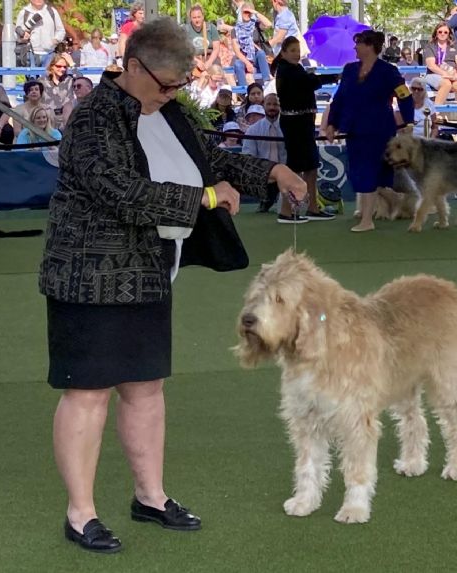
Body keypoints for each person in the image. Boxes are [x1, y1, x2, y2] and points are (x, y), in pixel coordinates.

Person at [38, 17, 307, 554]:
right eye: (164, 84)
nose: (172, 94)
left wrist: (269, 174)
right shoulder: (94, 119)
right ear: (133, 66)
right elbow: (123, 193)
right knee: (87, 393)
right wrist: (206, 200)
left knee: (146, 389)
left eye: (180, 84)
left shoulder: (169, 109)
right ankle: (81, 512)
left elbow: (210, 160)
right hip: (89, 277)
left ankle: (151, 497)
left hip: (148, 272)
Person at [327, 29, 414, 232]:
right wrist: (332, 123)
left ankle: (367, 220)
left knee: (371, 173)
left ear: (369, 46)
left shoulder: (388, 71)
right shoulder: (349, 70)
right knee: (358, 173)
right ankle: (396, 200)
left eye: (358, 44)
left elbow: (404, 95)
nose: (355, 47)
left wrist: (408, 121)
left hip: (379, 130)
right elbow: (339, 98)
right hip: (354, 129)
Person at [273, 36, 338, 223]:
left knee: (311, 166)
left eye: (297, 50)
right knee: (295, 168)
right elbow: (309, 82)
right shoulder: (286, 71)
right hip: (295, 124)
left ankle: (312, 206)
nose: (296, 54)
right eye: (292, 50)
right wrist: (333, 77)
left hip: (304, 123)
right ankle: (286, 210)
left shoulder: (296, 68)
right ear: (283, 52)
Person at [244, 93, 286, 212]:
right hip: (264, 174)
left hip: (287, 172)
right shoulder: (253, 130)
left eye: (275, 104)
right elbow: (248, 156)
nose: (272, 107)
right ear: (263, 105)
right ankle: (266, 199)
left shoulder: (288, 127)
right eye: (269, 104)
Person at [423, 22, 457, 106]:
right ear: (436, 32)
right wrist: (445, 74)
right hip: (434, 74)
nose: (442, 34)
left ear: (449, 34)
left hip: (452, 75)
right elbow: (431, 65)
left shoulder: (454, 45)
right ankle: (437, 114)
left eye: (445, 32)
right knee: (446, 84)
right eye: (440, 32)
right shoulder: (430, 46)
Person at [14, 0, 66, 68]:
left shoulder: (52, 11)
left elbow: (61, 30)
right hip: (30, 54)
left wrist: (55, 40)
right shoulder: (24, 12)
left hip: (49, 54)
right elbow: (17, 33)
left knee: (47, 78)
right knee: (32, 78)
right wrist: (23, 36)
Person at [232, 2, 273, 87]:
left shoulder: (255, 25)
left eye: (249, 13)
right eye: (245, 12)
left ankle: (267, 82)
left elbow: (269, 24)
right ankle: (243, 92)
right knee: (237, 64)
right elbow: (237, 52)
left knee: (261, 53)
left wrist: (255, 12)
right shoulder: (235, 30)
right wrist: (247, 63)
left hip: (256, 56)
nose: (247, 14)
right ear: (241, 13)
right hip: (244, 57)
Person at [38, 54, 75, 130]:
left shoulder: (70, 80)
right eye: (59, 66)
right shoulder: (42, 81)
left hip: (65, 117)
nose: (62, 69)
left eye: (65, 67)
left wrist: (72, 64)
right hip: (48, 118)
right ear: (52, 66)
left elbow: (82, 80)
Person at [184, 4, 221, 77]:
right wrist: (196, 61)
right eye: (194, 18)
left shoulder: (211, 28)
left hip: (210, 57)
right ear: (190, 18)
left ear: (203, 17)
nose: (197, 20)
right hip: (193, 58)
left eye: (199, 17)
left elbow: (216, 48)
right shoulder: (185, 29)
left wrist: (209, 62)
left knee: (216, 73)